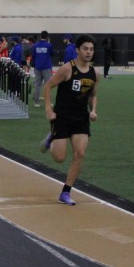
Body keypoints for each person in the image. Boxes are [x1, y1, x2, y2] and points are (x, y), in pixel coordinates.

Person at [39, 34, 99, 205]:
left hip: (81, 118)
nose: (89, 52)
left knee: (80, 154)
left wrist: (93, 110)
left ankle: (66, 192)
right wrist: (48, 109)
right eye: (85, 49)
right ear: (78, 50)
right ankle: (51, 139)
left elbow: (93, 95)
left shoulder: (95, 73)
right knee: (60, 158)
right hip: (62, 117)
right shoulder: (67, 69)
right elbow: (48, 86)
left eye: (91, 49)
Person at [32, 30, 54, 106]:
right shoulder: (49, 45)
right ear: (47, 37)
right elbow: (52, 53)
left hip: (37, 67)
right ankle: (48, 102)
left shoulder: (35, 45)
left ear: (40, 36)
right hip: (46, 67)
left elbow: (33, 56)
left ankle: (36, 102)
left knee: (37, 85)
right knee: (48, 85)